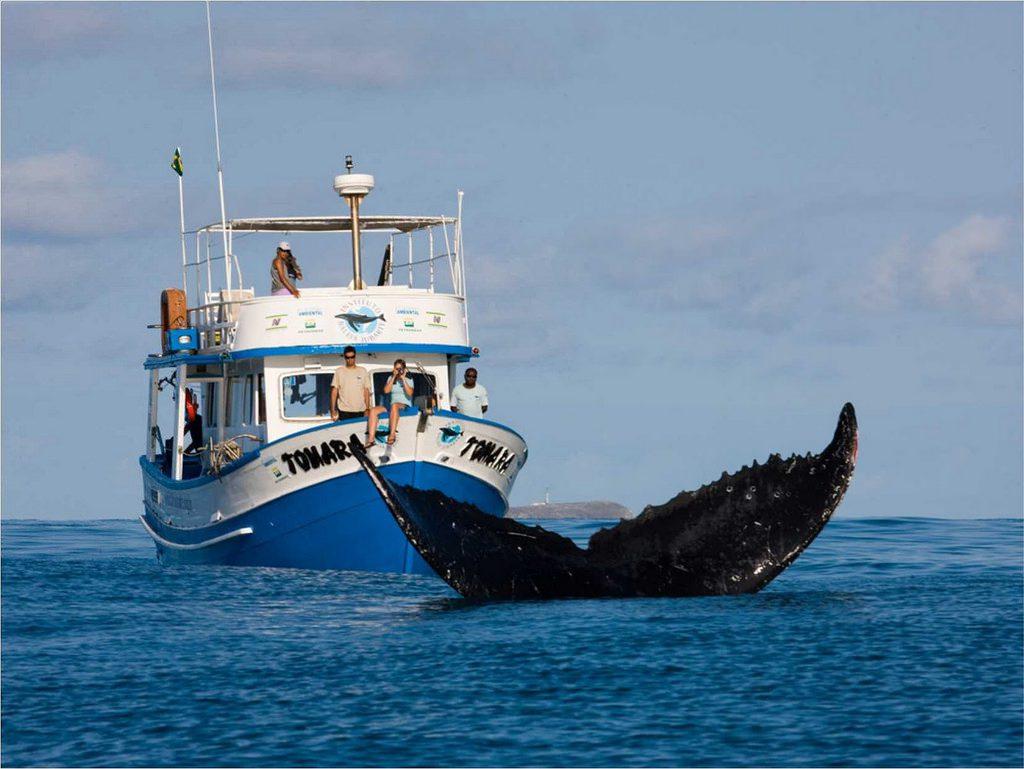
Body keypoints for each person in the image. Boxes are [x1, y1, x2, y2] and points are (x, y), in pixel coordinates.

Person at [367, 359, 413, 447]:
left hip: (404, 405)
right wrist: (393, 377)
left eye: (400, 369)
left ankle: (392, 434)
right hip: (392, 405)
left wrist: (403, 378)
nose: (399, 371)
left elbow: (410, 393)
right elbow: (386, 391)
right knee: (373, 410)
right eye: (397, 369)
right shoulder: (391, 378)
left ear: (404, 369)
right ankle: (371, 439)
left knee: (394, 405)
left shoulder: (409, 379)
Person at [330, 346, 371, 424]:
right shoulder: (339, 371)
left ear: (355, 356)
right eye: (347, 357)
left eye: (352, 357)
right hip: (344, 411)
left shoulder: (363, 371)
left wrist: (367, 409)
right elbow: (334, 392)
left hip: (360, 410)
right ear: (344, 358)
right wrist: (332, 410)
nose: (350, 359)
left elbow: (366, 391)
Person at [183, 388, 204, 453]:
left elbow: (182, 434)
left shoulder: (193, 420)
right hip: (201, 447)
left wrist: (186, 452)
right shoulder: (196, 419)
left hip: (202, 448)